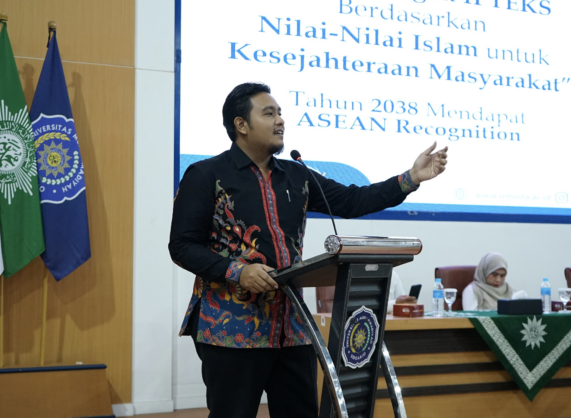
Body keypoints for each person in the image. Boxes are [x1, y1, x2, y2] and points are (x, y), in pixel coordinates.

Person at [169, 82, 448, 418]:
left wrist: (410, 178)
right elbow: (182, 245)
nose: (280, 120)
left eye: (280, 113)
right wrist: (238, 271)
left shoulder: (296, 175)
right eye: (269, 113)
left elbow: (352, 200)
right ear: (241, 125)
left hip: (292, 326)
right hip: (232, 328)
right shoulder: (206, 174)